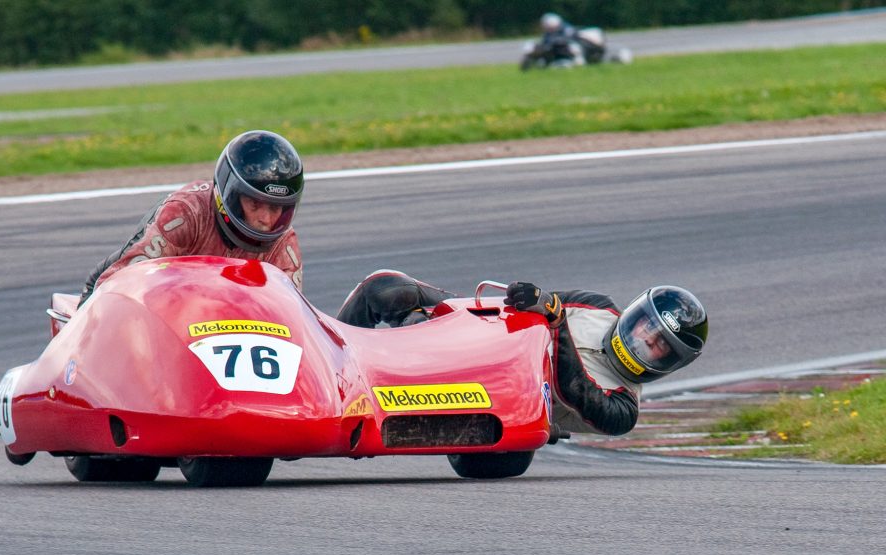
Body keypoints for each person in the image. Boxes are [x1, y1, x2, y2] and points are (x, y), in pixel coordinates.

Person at [336, 271, 708, 436]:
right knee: (386, 289)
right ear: (635, 314)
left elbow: (573, 389)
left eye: (659, 346)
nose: (645, 343)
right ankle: (332, 370)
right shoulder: (599, 306)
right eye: (648, 328)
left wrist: (556, 319)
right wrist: (532, 299)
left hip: (495, 397)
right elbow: (528, 306)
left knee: (494, 463)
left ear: (669, 365)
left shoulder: (623, 410)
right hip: (486, 339)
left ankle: (389, 366)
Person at [78, 130, 305, 306]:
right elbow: (119, 285)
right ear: (232, 195)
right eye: (255, 204)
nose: (265, 220)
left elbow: (292, 316)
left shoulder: (284, 245)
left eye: (275, 208)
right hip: (167, 310)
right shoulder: (185, 215)